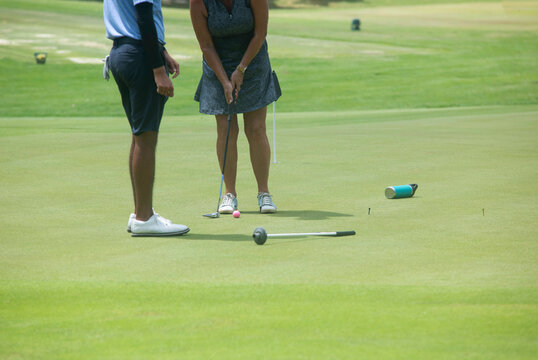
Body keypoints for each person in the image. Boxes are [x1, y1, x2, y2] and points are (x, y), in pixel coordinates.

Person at [103, 0, 189, 236]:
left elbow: (132, 18)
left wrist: (161, 52)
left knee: (139, 135)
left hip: (122, 52)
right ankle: (144, 218)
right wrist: (158, 70)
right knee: (146, 138)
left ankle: (141, 212)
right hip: (139, 56)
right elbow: (143, 17)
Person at [190, 0, 281, 214]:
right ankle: (229, 194)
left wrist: (241, 69)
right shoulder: (199, 2)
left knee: (256, 128)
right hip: (216, 64)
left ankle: (264, 193)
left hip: (253, 60)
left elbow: (260, 33)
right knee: (227, 129)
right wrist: (224, 80)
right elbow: (206, 46)